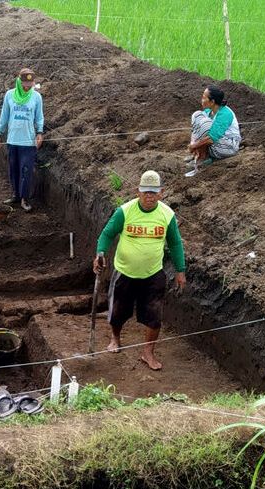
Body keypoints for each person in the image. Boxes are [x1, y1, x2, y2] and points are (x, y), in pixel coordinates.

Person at [92, 170, 186, 371]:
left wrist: (180, 270)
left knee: (154, 316)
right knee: (118, 311)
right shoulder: (125, 211)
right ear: (138, 192)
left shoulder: (167, 215)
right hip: (124, 273)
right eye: (145, 192)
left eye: (153, 192)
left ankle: (148, 352)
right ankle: (115, 338)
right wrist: (100, 252)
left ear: (161, 192)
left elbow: (175, 244)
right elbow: (107, 234)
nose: (149, 196)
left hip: (153, 274)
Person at [0, 66, 44, 212]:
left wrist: (40, 133)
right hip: (12, 140)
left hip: (28, 142)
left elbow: (39, 117)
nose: (27, 87)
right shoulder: (9, 95)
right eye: (25, 84)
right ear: (19, 82)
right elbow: (4, 116)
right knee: (13, 169)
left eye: (30, 84)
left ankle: (24, 198)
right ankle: (15, 195)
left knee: (26, 170)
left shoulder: (36, 97)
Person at [186, 85, 240, 177]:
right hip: (216, 143)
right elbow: (195, 130)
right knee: (197, 115)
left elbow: (211, 139)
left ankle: (203, 158)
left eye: (204, 98)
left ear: (212, 102)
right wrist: (193, 143)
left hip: (229, 146)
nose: (202, 100)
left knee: (205, 125)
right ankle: (199, 156)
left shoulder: (225, 113)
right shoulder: (208, 112)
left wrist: (194, 145)